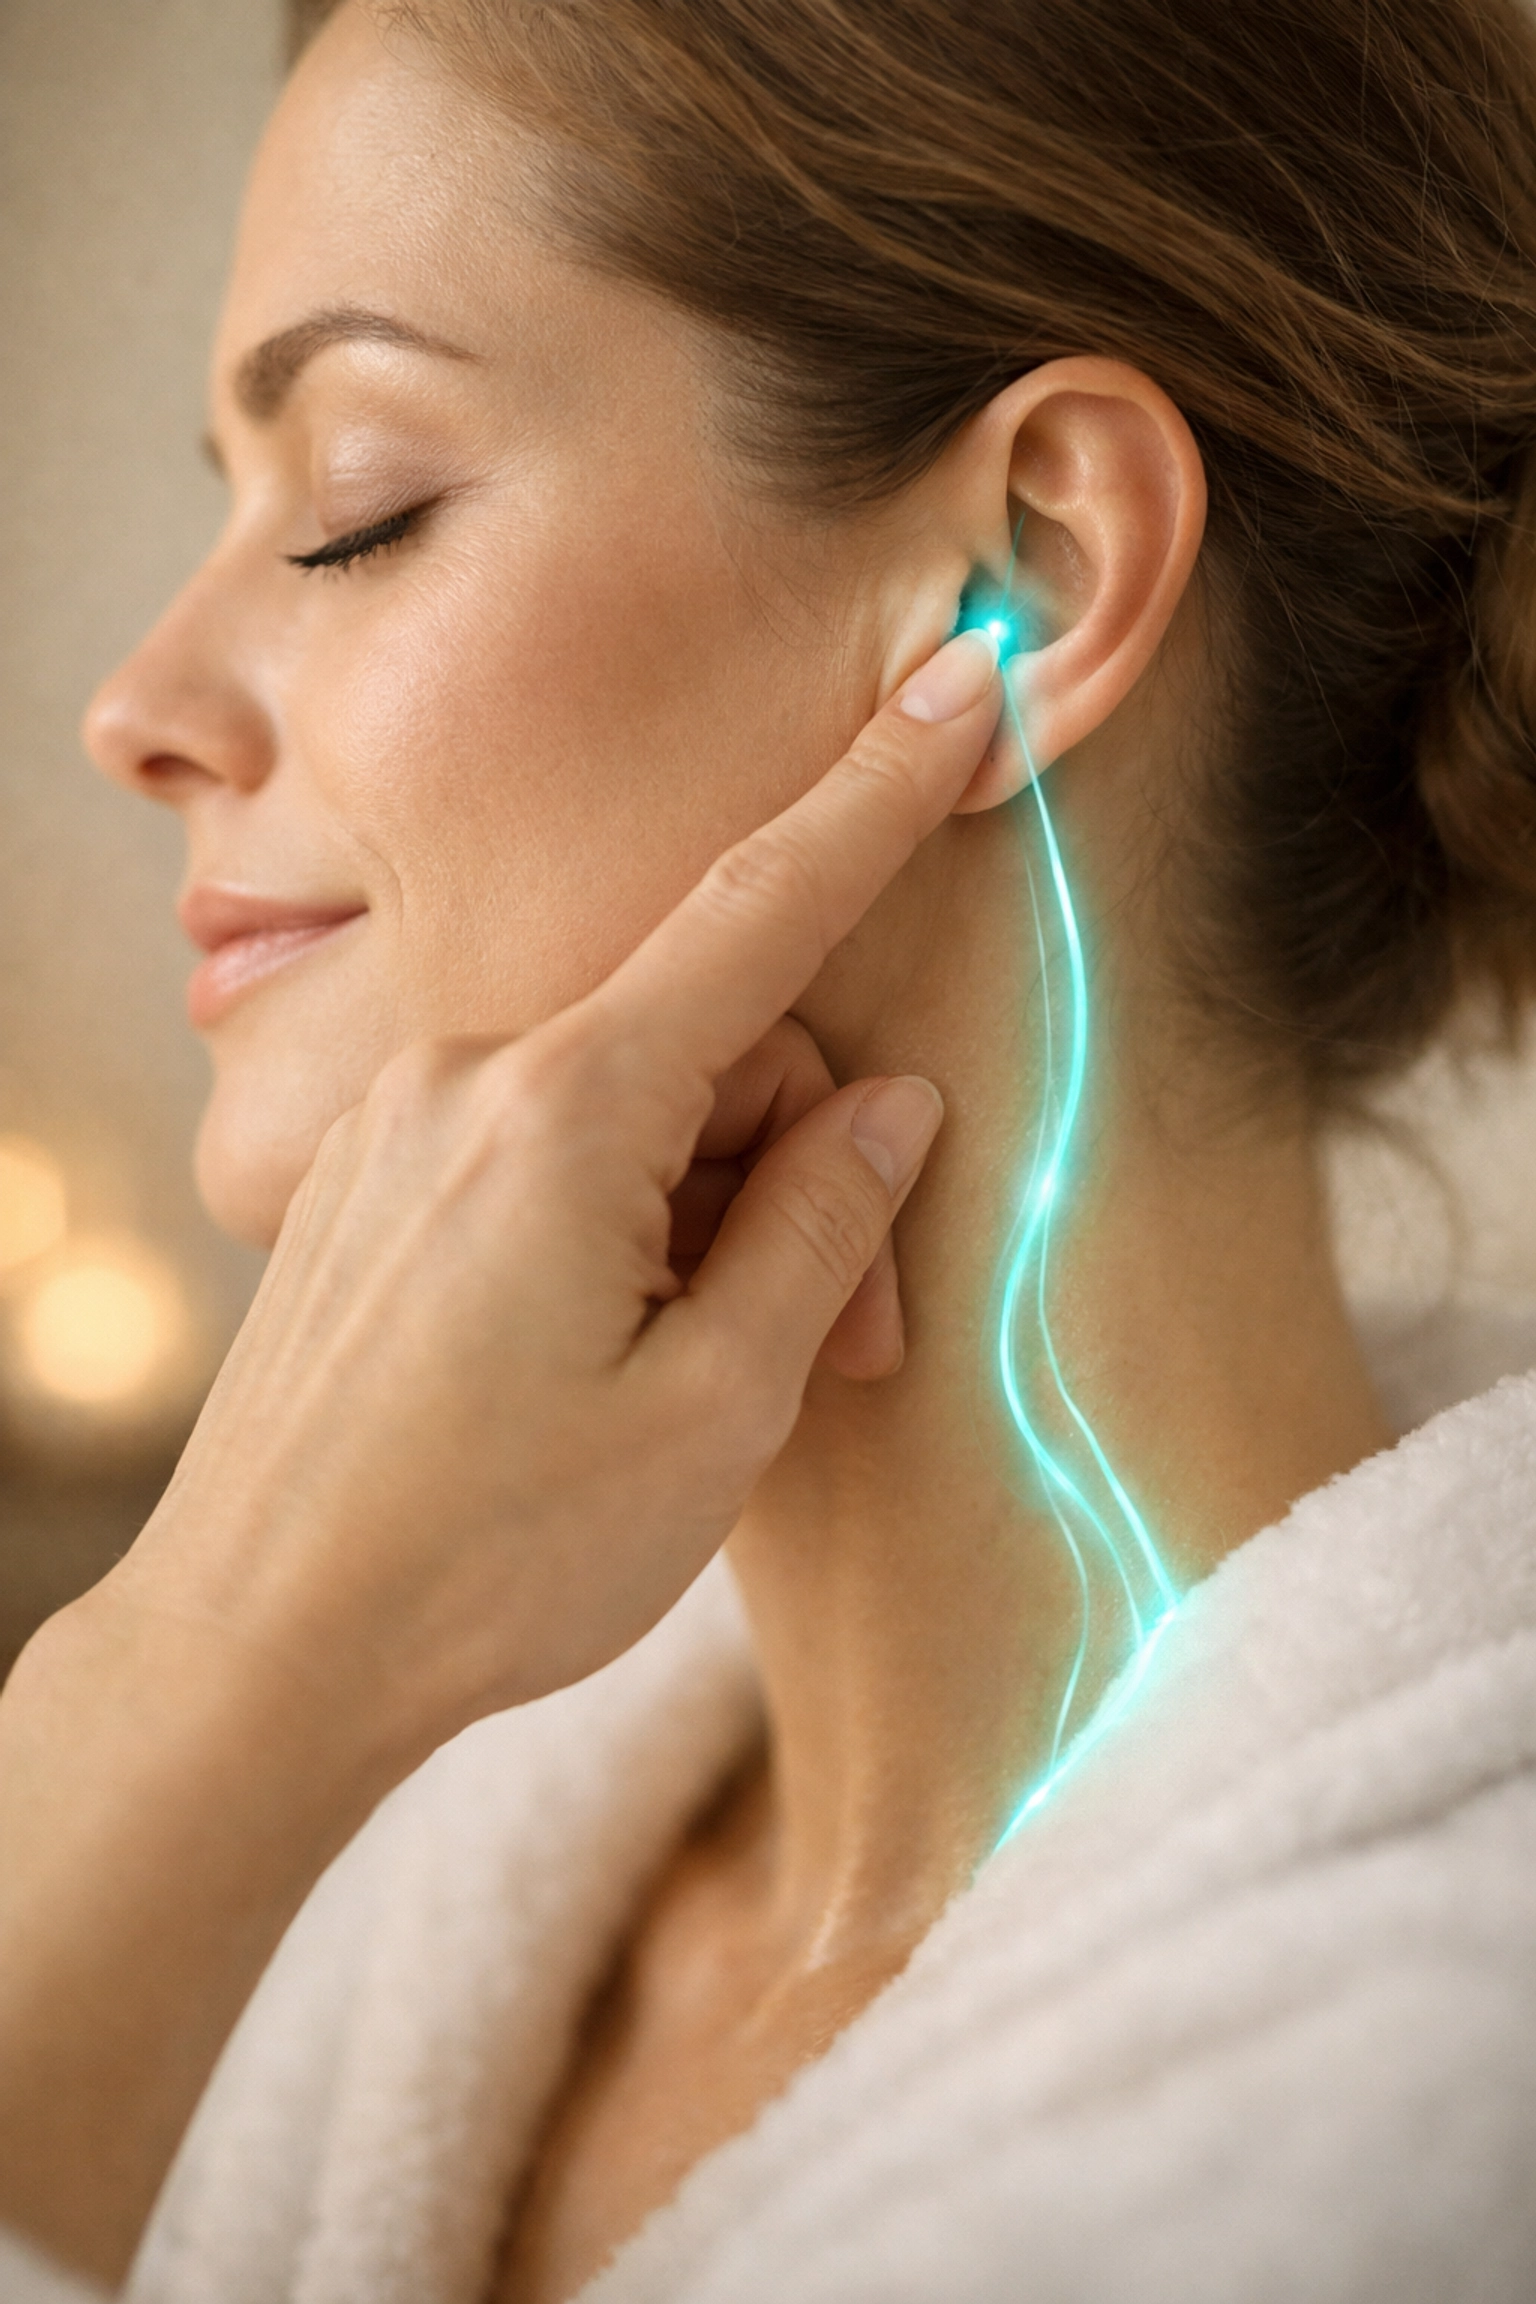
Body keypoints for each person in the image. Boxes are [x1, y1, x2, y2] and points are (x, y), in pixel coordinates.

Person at [1, 0, 1534, 2297]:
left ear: (1023, 578)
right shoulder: (352, 1864)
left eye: (351, 512)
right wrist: (196, 1698)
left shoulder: (1428, 2103)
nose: (136, 712)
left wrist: (170, 1706)